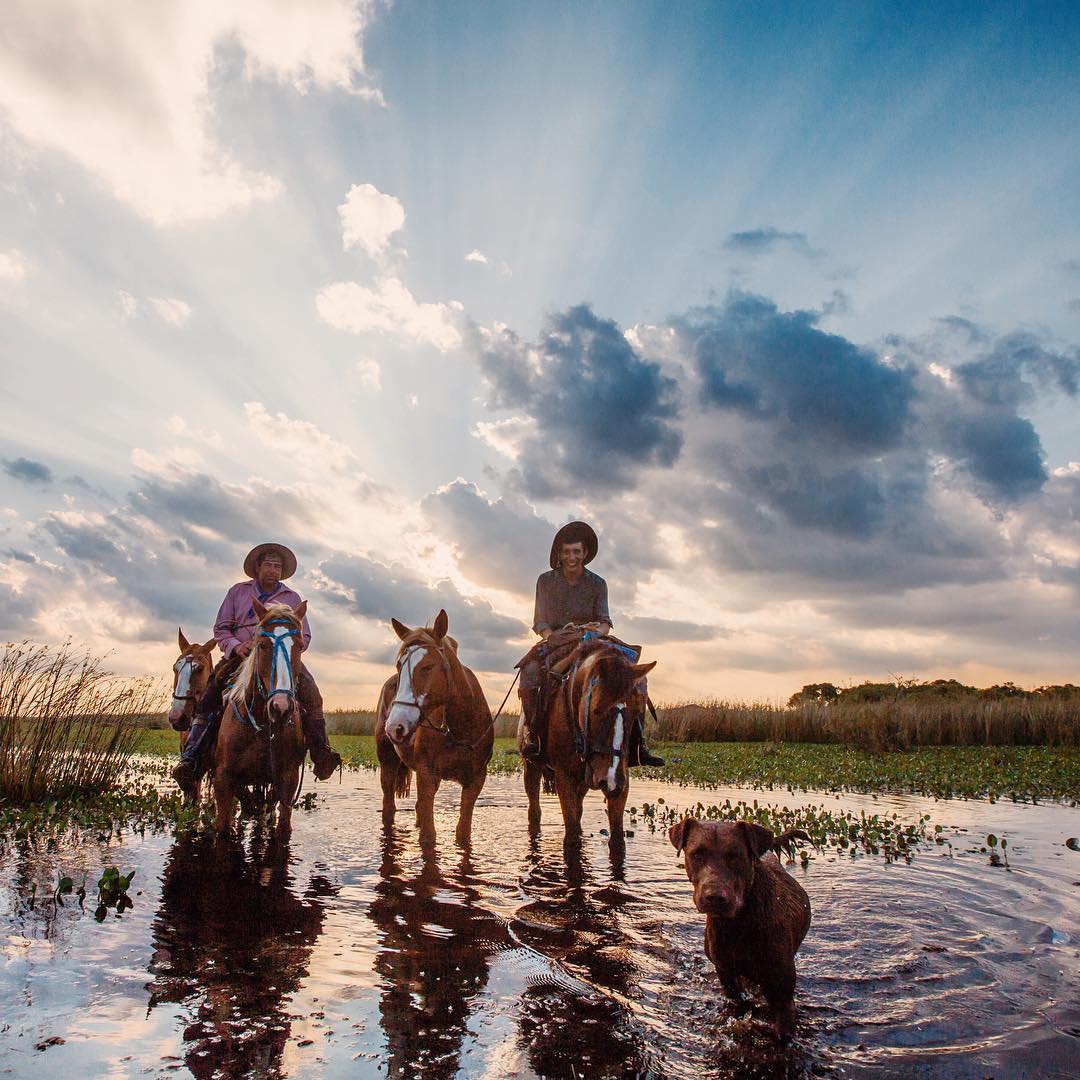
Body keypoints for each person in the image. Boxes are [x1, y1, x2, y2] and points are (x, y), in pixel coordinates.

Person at [171, 543, 342, 796]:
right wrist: (237, 646)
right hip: (242, 656)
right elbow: (221, 629)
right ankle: (192, 757)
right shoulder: (237, 593)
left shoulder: (292, 598)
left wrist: (287, 645)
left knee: (312, 694)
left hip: (280, 656)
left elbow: (304, 634)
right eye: (269, 565)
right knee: (210, 695)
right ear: (257, 568)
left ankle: (321, 753)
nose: (273, 570)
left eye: (278, 566)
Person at [518, 521, 664, 767]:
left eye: (576, 551)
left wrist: (595, 630)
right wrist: (549, 634)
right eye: (566, 552)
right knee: (530, 673)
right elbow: (539, 621)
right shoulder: (545, 581)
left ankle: (639, 744)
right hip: (558, 641)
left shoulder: (598, 583)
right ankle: (534, 734)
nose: (571, 557)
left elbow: (605, 622)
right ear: (559, 554)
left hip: (592, 641)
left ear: (585, 554)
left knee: (637, 676)